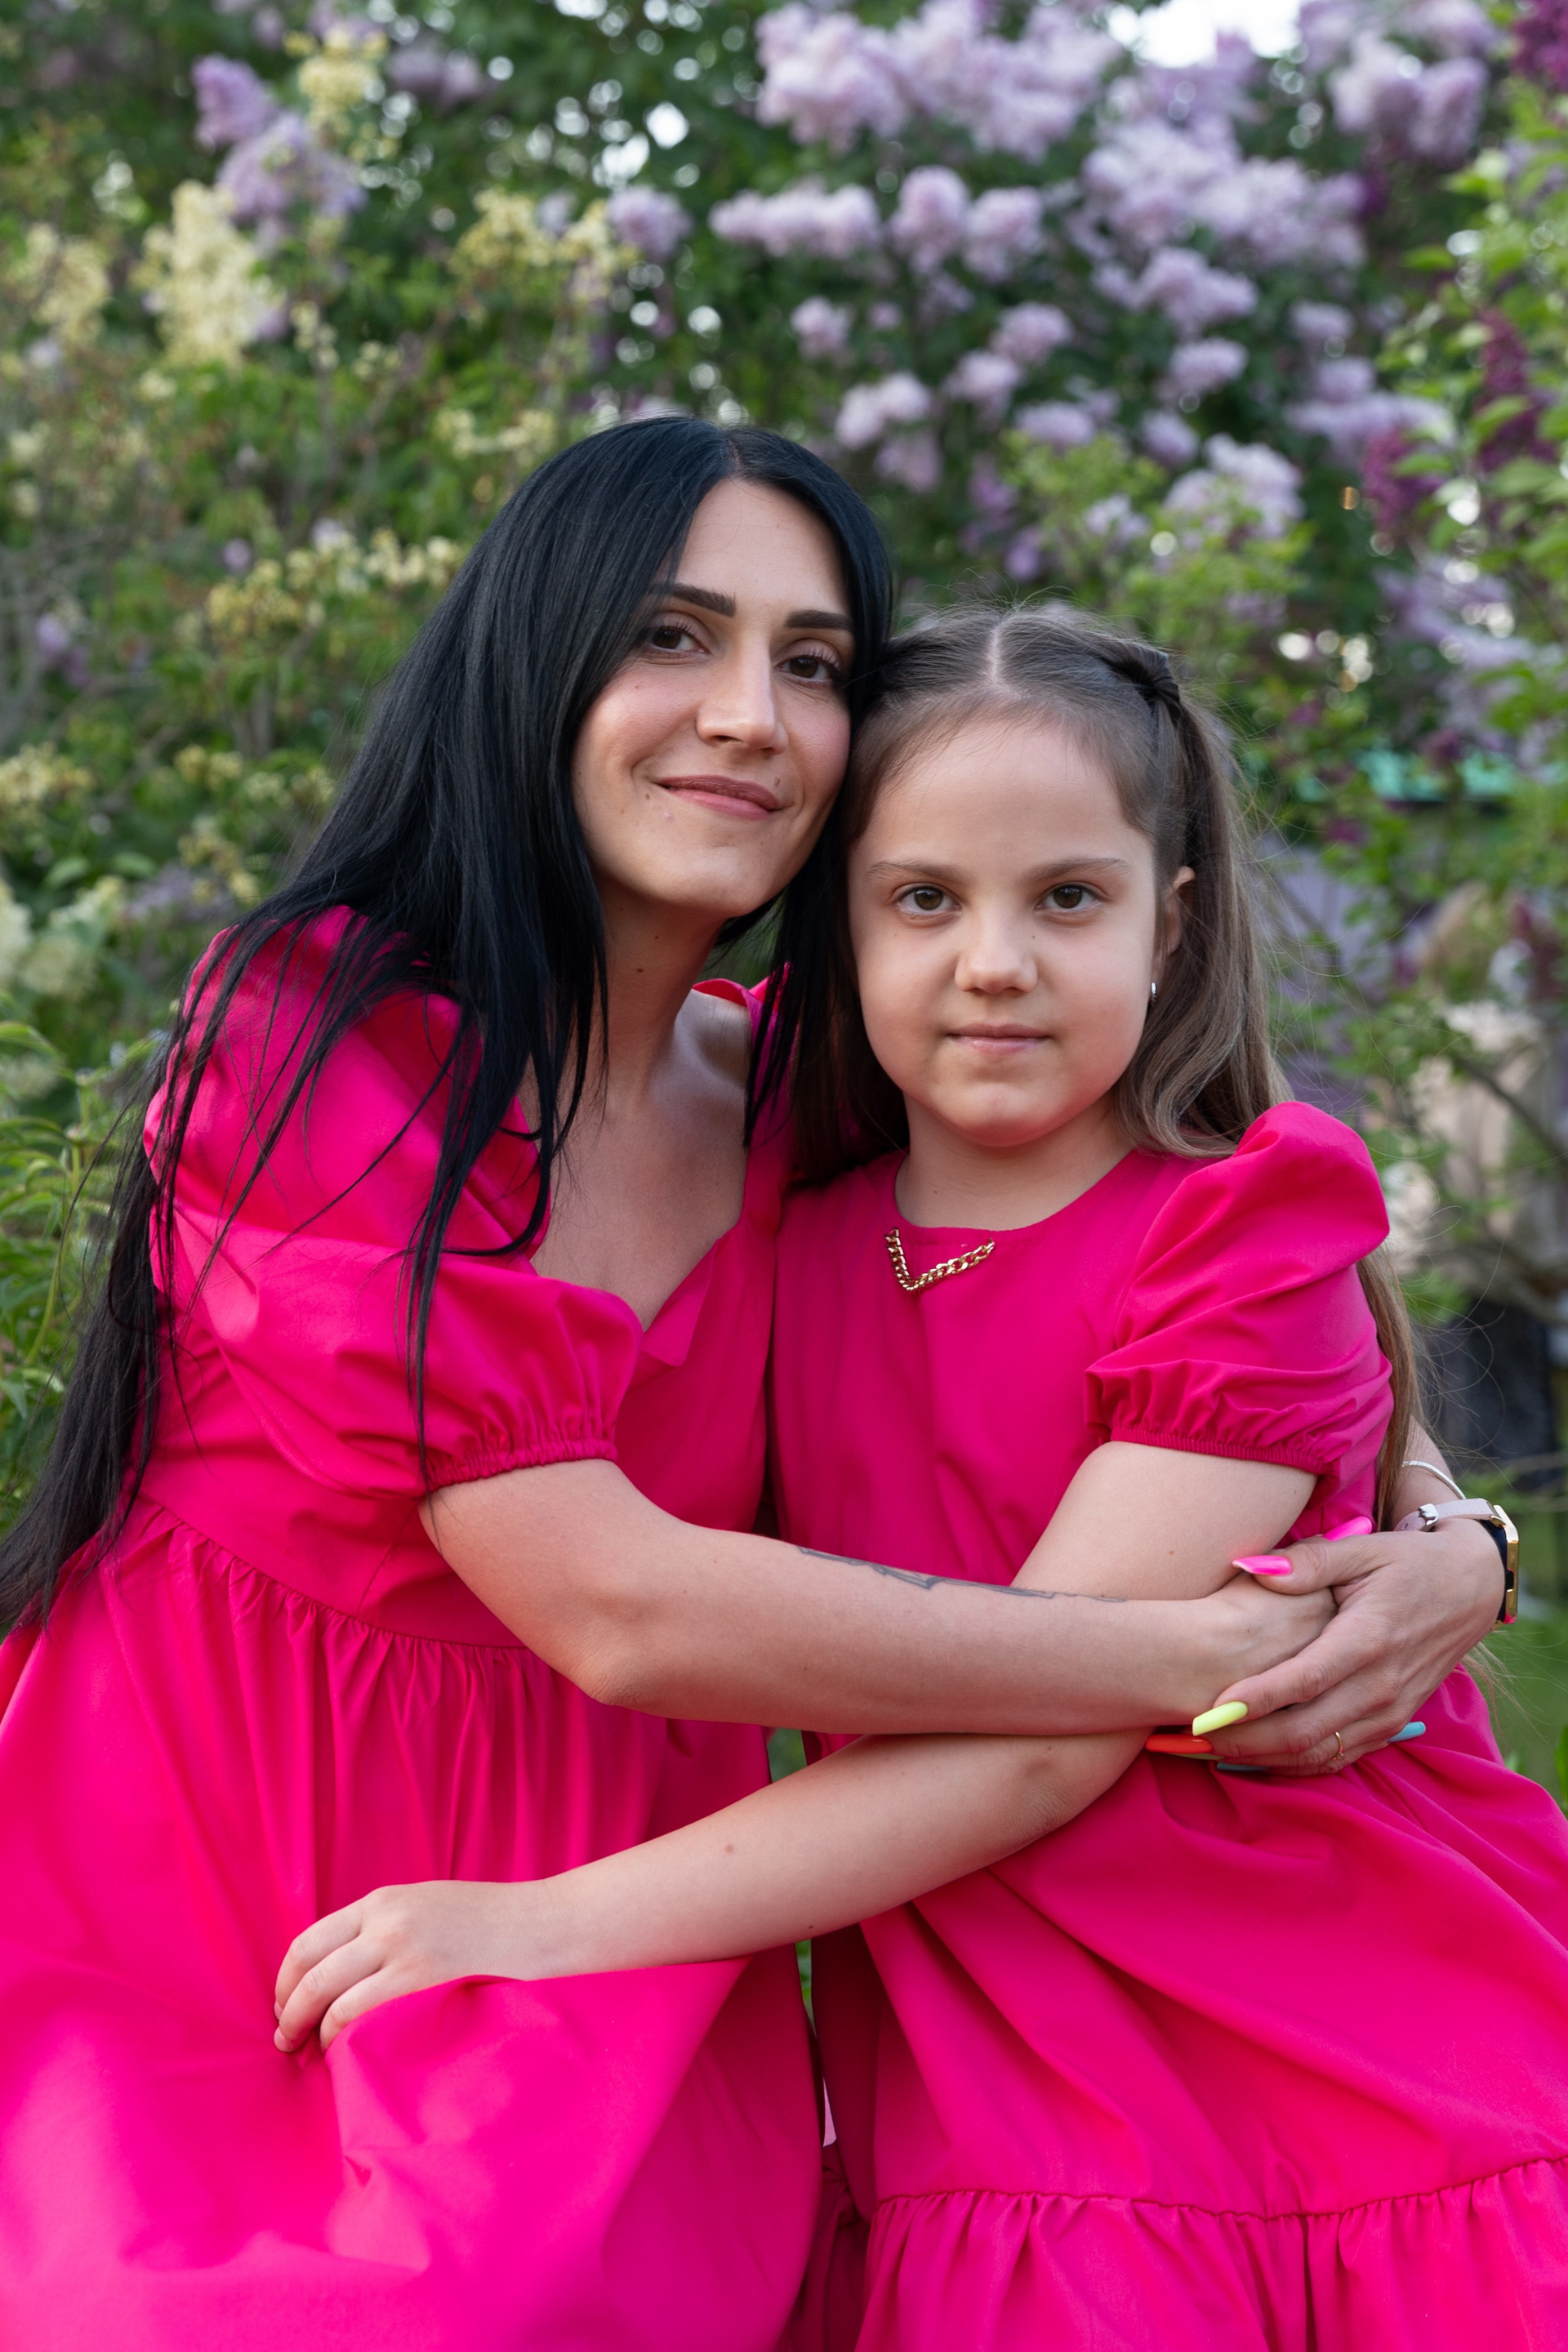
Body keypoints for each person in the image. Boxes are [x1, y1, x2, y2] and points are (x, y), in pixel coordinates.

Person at [278, 605, 1566, 2350]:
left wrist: (552, 1923)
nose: (995, 963)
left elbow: (1047, 1729)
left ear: (1174, 924)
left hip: (1338, 2046)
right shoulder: (783, 1215)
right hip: (996, 2074)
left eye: (1070, 898)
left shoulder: (1240, 1229)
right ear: (841, 923)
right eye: (924, 899)